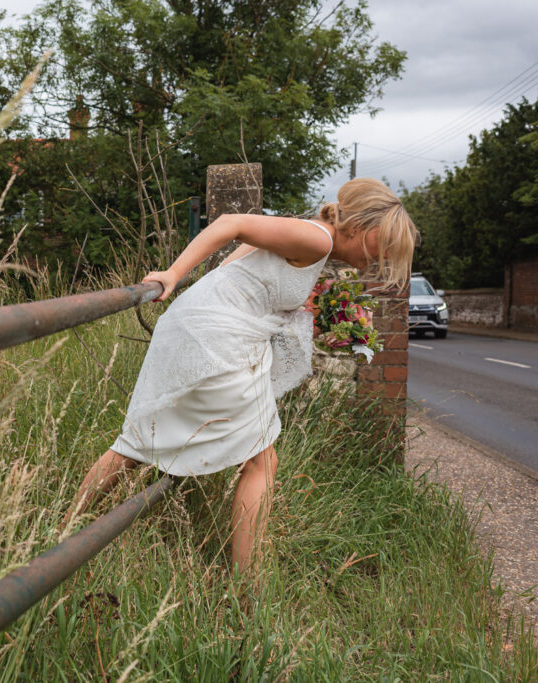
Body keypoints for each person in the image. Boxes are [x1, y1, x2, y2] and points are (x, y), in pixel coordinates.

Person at [65, 177, 419, 573]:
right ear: (361, 226)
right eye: (382, 246)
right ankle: (247, 584)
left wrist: (317, 323)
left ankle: (61, 533)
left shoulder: (309, 240)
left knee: (138, 441)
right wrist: (173, 273)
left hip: (205, 330)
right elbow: (230, 223)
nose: (380, 259)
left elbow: (246, 278)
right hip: (217, 339)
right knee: (261, 461)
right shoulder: (317, 238)